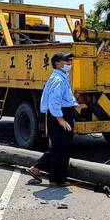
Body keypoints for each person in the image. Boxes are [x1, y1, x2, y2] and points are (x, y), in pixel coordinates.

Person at [27, 52, 80, 186]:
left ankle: (41, 171)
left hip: (62, 113)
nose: (69, 63)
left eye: (69, 61)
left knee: (60, 147)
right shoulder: (58, 79)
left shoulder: (62, 77)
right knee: (61, 147)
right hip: (60, 115)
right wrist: (61, 119)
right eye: (66, 61)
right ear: (57, 64)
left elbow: (63, 97)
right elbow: (54, 101)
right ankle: (56, 179)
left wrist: (73, 103)